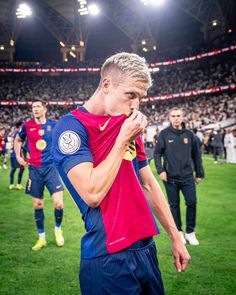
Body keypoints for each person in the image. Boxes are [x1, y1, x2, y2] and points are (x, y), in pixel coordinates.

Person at [52, 52, 190, 295]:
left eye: (140, 98)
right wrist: (122, 139)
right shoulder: (71, 127)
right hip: (108, 257)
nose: (135, 105)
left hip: (146, 249)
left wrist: (175, 236)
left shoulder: (123, 123)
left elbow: (147, 183)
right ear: (106, 84)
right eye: (130, 95)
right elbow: (92, 193)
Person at [14, 99, 65, 251]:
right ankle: (41, 238)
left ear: (44, 109)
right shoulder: (27, 125)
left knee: (58, 203)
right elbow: (17, 140)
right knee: (37, 204)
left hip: (51, 168)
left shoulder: (54, 125)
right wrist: (18, 156)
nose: (35, 109)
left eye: (38, 106)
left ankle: (57, 229)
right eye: (33, 107)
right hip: (35, 169)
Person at [154, 108, 203, 246]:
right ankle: (179, 232)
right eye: (173, 116)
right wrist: (160, 170)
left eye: (178, 116)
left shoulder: (190, 135)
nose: (176, 118)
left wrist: (199, 173)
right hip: (170, 178)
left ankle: (190, 232)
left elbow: (196, 156)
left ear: (182, 117)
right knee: (174, 206)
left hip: (188, 177)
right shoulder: (164, 134)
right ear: (169, 118)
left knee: (192, 203)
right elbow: (157, 153)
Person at [9, 122, 25, 190]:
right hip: (16, 153)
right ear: (19, 126)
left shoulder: (15, 132)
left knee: (15, 169)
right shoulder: (18, 132)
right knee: (19, 168)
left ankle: (12, 184)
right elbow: (18, 143)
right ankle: (15, 184)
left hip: (14, 153)